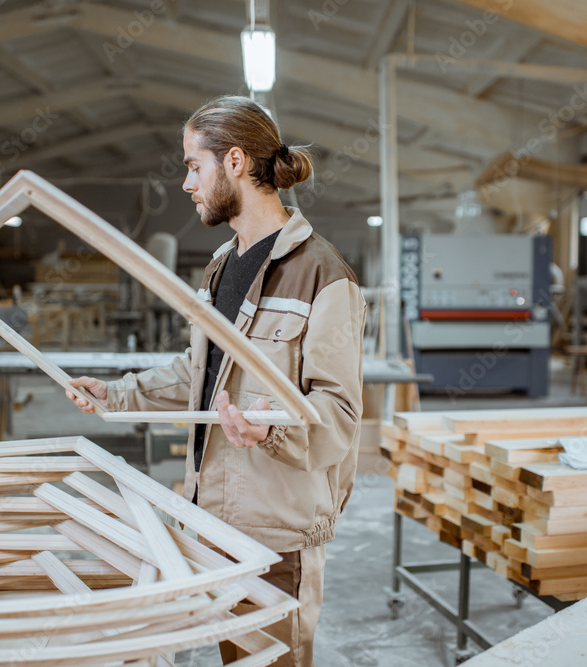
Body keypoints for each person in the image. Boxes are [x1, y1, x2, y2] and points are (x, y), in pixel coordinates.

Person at [66, 95, 366, 667]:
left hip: (277, 531)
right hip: (215, 517)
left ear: (234, 162)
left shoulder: (323, 275)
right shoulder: (221, 266)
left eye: (192, 165)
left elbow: (340, 419)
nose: (186, 183)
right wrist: (119, 392)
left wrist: (270, 432)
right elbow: (199, 374)